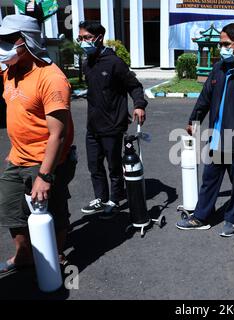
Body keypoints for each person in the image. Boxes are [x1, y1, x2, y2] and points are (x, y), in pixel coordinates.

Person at [176, 23, 234, 237]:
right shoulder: (218, 69)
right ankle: (200, 217)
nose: (222, 48)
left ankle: (232, 219)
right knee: (210, 179)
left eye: (226, 44)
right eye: (221, 44)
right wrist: (194, 119)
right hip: (216, 139)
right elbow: (205, 97)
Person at [0, 14, 75, 274]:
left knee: (51, 210)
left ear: (28, 41)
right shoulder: (8, 71)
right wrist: (13, 150)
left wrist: (45, 175)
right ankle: (23, 256)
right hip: (18, 157)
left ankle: (54, 259)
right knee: (11, 209)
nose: (3, 44)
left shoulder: (51, 78)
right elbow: (19, 113)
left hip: (45, 160)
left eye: (10, 39)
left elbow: (58, 134)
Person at [78, 21, 147, 219]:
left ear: (99, 38)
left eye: (86, 38)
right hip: (93, 125)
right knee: (94, 165)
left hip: (113, 124)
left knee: (114, 166)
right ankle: (100, 198)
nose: (83, 42)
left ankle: (115, 200)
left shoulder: (115, 62)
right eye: (80, 38)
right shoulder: (88, 62)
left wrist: (139, 105)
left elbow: (134, 85)